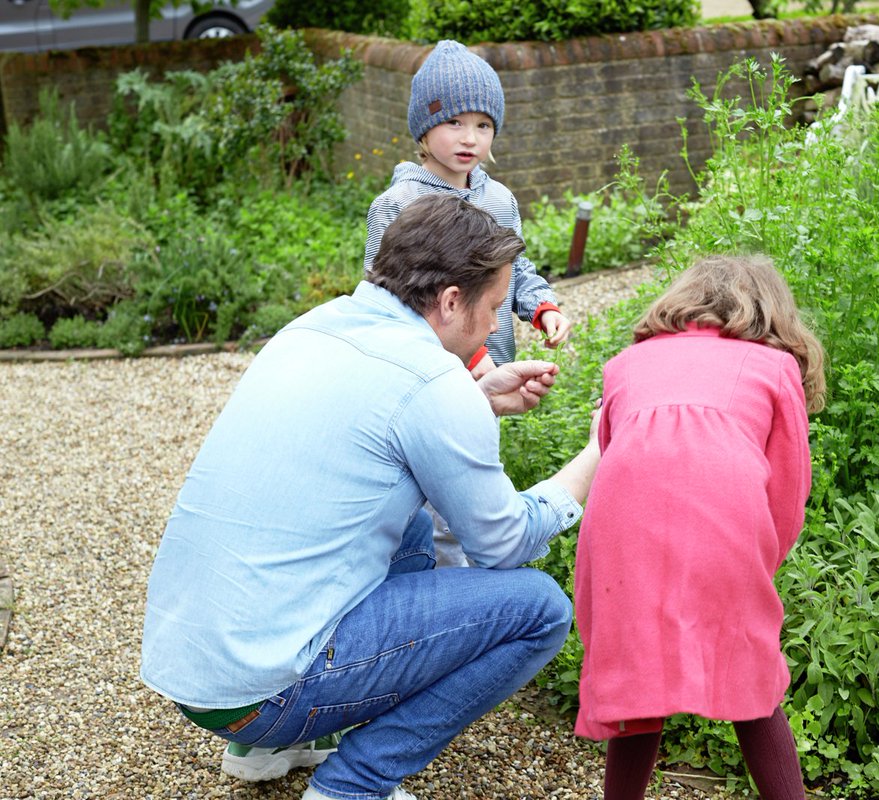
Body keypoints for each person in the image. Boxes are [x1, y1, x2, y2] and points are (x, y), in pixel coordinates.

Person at [140, 193, 602, 800]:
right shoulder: (432, 382)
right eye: (493, 308)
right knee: (540, 609)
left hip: (192, 667)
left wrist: (477, 397)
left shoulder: (315, 326)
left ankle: (271, 749)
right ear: (451, 301)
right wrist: (598, 452)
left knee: (403, 522)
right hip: (261, 693)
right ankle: (355, 784)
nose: (495, 326)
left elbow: (374, 432)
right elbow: (503, 544)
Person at [572, 254, 826, 800]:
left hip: (619, 539)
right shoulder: (774, 369)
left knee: (636, 681)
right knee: (751, 677)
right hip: (729, 528)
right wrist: (757, 567)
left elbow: (617, 463)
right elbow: (787, 494)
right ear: (769, 311)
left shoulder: (625, 364)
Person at [363, 38, 573, 568]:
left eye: (483, 126)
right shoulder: (398, 205)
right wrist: (464, 355)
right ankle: (436, 578)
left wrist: (541, 305)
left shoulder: (497, 199)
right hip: (426, 373)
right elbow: (383, 296)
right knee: (426, 489)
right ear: (423, 129)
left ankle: (478, 569)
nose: (469, 138)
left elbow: (517, 268)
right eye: (454, 123)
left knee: (473, 473)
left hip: (488, 363)